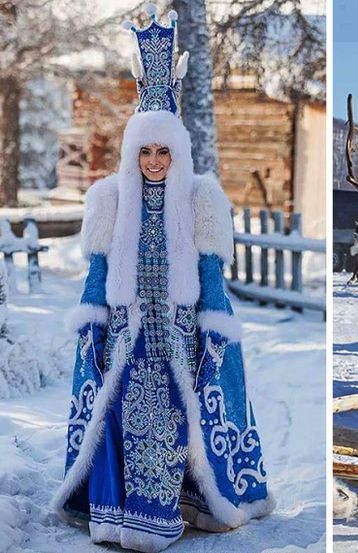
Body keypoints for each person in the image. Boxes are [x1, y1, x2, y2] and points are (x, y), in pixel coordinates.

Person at [51, 6, 271, 552]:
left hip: (176, 336)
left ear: (178, 152)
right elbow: (97, 272)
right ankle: (114, 516)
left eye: (163, 151)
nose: (154, 160)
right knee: (120, 426)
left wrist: (216, 327)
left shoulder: (202, 199)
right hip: (126, 336)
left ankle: (157, 519)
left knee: (172, 427)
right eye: (144, 150)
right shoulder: (109, 199)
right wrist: (91, 324)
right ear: (132, 152)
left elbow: (211, 274)